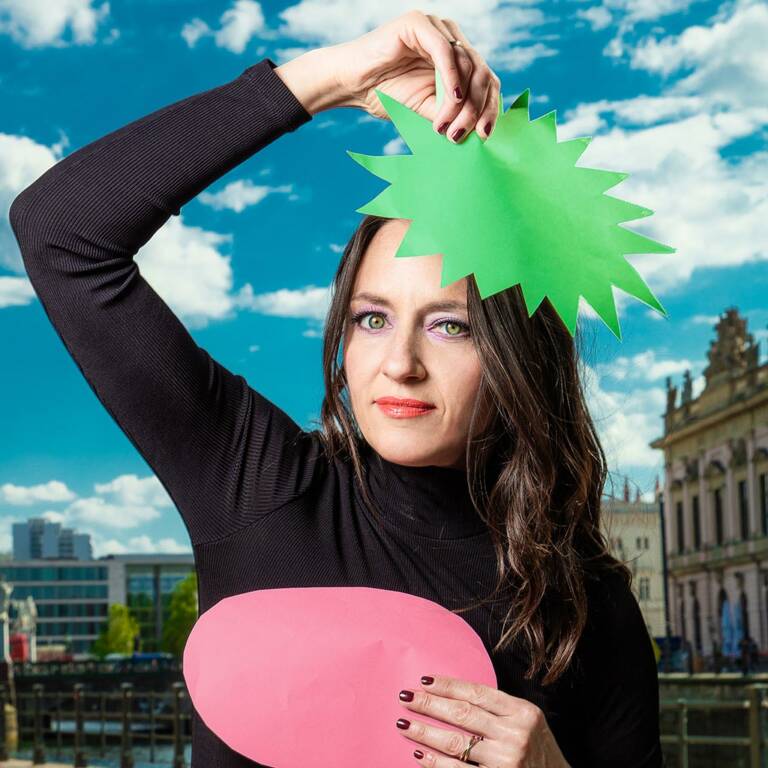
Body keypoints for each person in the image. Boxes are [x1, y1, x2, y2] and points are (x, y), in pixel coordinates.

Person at [9, 10, 663, 768]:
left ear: (520, 355)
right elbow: (60, 230)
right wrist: (338, 78)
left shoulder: (590, 607)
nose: (400, 364)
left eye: (452, 327)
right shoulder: (259, 486)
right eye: (373, 318)